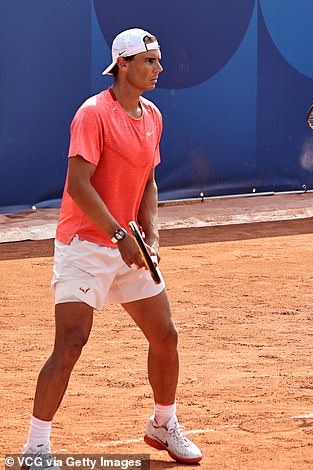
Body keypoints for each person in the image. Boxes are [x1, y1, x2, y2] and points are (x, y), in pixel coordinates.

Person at [20, 28, 202, 467]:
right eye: (149, 61)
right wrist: (119, 237)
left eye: (158, 61)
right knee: (71, 341)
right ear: (123, 64)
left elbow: (149, 184)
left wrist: (150, 237)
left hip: (131, 245)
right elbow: (78, 187)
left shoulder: (153, 115)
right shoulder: (93, 114)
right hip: (86, 243)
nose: (159, 69)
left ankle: (163, 424)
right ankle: (35, 447)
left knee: (166, 336)